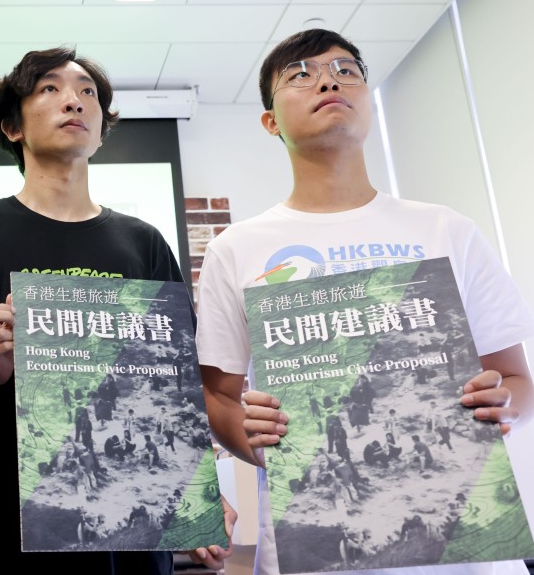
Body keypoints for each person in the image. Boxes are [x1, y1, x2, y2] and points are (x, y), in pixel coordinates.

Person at [195, 28, 534, 575]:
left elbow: (515, 378)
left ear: (368, 101)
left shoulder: (445, 229)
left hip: (467, 555)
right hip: (310, 550)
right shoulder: (237, 248)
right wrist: (253, 442)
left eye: (346, 70)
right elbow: (219, 395)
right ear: (270, 121)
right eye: (300, 74)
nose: (328, 81)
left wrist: (505, 404)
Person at [0, 46, 234, 572]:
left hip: (132, 524)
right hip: (9, 518)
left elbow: (175, 386)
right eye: (49, 88)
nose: (73, 101)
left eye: (87, 92)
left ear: (100, 131)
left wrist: (198, 495)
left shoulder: (143, 242)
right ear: (12, 127)